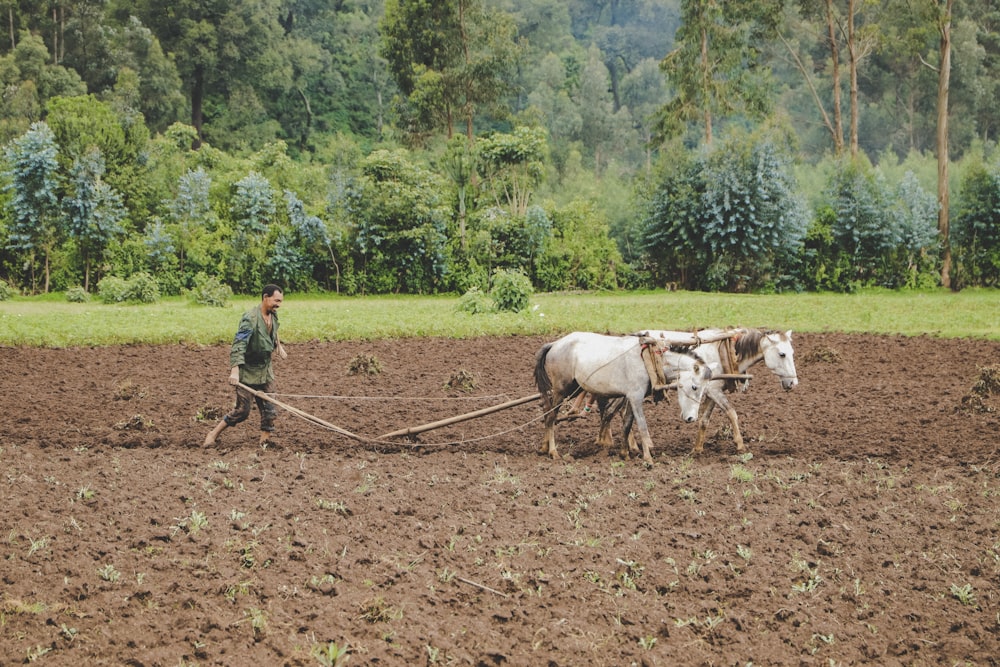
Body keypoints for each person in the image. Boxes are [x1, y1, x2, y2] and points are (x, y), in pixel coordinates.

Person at [204, 284, 288, 447]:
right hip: (247, 371)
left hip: (265, 370)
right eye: (276, 300)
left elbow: (274, 331)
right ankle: (213, 434)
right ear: (265, 297)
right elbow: (239, 344)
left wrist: (279, 346)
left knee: (270, 409)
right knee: (242, 411)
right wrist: (235, 371)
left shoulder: (273, 315)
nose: (279, 304)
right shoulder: (250, 318)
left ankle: (264, 443)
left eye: (280, 301)